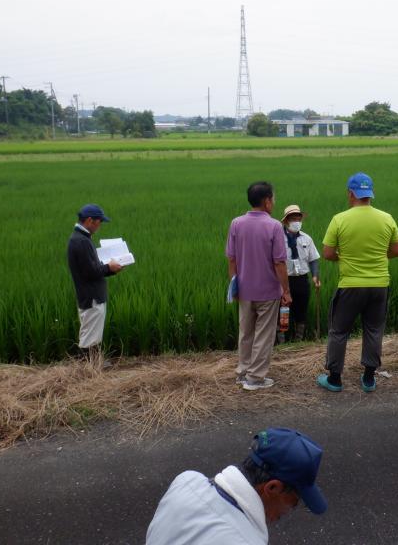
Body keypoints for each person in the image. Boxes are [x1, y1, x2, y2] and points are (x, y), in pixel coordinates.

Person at [146, 427, 327, 545]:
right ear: (273, 488)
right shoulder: (245, 540)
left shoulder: (185, 481)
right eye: (295, 501)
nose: (289, 510)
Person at [316, 172, 398, 393]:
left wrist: (344, 257)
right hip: (379, 285)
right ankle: (369, 378)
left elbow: (327, 253)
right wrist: (377, 257)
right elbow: (396, 250)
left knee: (339, 331)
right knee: (373, 330)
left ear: (351, 193)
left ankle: (335, 379)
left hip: (351, 285)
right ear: (370, 193)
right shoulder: (387, 218)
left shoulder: (340, 219)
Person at [226, 182, 292, 390]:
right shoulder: (274, 226)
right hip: (268, 291)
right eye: (273, 198)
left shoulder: (236, 223)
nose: (273, 202)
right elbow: (279, 262)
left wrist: (234, 286)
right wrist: (286, 290)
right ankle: (255, 379)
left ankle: (243, 373)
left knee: (245, 332)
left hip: (244, 290)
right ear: (266, 201)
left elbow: (231, 259)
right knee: (263, 335)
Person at [66, 203, 123, 360]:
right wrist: (109, 267)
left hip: (89, 295)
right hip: (91, 297)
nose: (100, 226)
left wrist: (109, 269)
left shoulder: (80, 238)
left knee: (92, 334)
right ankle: (85, 370)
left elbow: (91, 269)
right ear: (90, 220)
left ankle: (94, 365)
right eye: (99, 222)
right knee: (89, 337)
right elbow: (91, 272)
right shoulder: (81, 242)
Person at [278, 204, 321, 343]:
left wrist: (315, 276)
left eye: (298, 218)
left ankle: (298, 341)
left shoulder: (306, 239)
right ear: (285, 221)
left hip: (302, 280)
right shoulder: (278, 239)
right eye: (293, 218)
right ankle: (282, 342)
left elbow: (313, 259)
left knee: (301, 311)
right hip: (284, 281)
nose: (296, 221)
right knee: (284, 312)